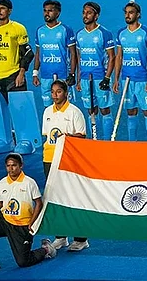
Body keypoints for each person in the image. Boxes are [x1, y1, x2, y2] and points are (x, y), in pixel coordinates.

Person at [0, 153, 57, 274]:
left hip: (22, 226)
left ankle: (46, 249)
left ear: (21, 166)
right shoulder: (1, 184)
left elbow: (38, 203)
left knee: (23, 262)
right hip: (5, 221)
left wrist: (32, 222)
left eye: (14, 165)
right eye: (8, 166)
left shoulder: (29, 183)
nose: (11, 168)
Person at [41, 79, 88, 251]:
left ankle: (81, 239)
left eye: (58, 92)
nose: (55, 95)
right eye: (52, 92)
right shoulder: (47, 112)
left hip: (68, 161)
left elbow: (82, 136)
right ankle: (61, 237)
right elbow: (47, 136)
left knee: (73, 198)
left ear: (66, 93)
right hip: (49, 159)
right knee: (54, 199)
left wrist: (69, 137)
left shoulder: (75, 112)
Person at [113, 0, 147, 141]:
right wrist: (116, 79)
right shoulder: (121, 33)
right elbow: (119, 56)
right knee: (130, 112)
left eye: (131, 12)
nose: (127, 15)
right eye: (126, 13)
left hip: (143, 80)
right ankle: (133, 143)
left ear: (138, 15)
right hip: (126, 79)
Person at [75, 1, 116, 140]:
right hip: (86, 78)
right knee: (91, 110)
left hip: (100, 77)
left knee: (105, 109)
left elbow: (112, 57)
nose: (85, 15)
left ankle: (107, 140)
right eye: (84, 12)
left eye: (89, 13)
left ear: (96, 16)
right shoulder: (79, 34)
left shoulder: (104, 33)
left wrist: (107, 78)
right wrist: (79, 79)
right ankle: (95, 140)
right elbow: (79, 57)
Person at [0, 0, 34, 101]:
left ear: (9, 11)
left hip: (13, 78)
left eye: (2, 8)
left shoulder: (18, 28)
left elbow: (28, 53)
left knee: (19, 112)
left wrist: (21, 74)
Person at [32, 0, 77, 107]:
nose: (47, 13)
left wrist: (72, 74)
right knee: (48, 107)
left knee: (64, 107)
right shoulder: (40, 31)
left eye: (50, 11)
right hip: (45, 76)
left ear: (58, 13)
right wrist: (35, 73)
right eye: (45, 11)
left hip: (62, 75)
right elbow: (38, 53)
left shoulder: (65, 30)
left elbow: (73, 54)